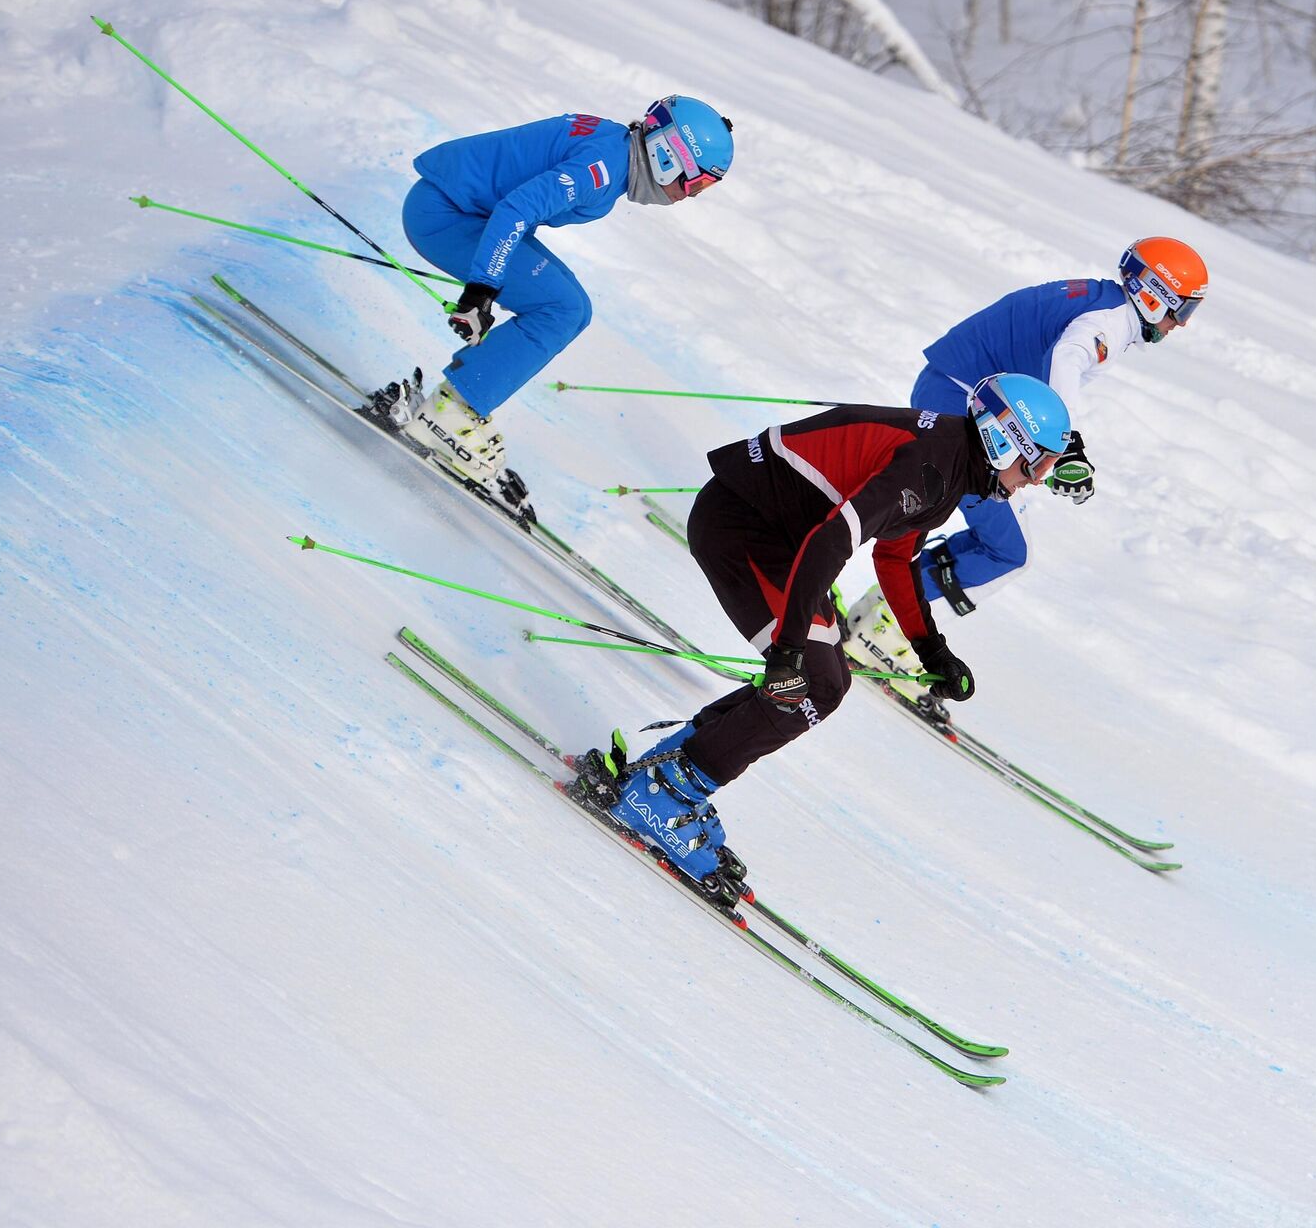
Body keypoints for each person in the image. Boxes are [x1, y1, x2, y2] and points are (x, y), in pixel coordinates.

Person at [561, 375, 1075, 906]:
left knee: (824, 681)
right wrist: (786, 650)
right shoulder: (929, 467)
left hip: (773, 533)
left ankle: (669, 774)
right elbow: (832, 538)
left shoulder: (948, 466)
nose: (1035, 479)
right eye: (1034, 463)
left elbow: (894, 557)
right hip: (745, 527)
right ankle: (664, 794)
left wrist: (931, 650)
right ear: (1001, 438)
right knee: (814, 684)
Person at [842, 236, 1208, 682]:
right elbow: (1067, 359)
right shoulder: (1110, 320)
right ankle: (881, 626)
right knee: (1008, 550)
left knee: (964, 527)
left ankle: (876, 613)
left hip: (960, 396)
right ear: (1155, 295)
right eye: (1183, 310)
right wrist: (1066, 446)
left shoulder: (1104, 302)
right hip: (965, 407)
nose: (1182, 325)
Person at [366, 96, 735, 511]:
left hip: (460, 210)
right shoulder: (602, 170)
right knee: (560, 309)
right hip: (445, 215)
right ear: (668, 155)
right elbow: (518, 208)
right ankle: (451, 413)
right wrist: (482, 288)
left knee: (575, 310)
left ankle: (457, 402)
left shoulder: (614, 150)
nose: (690, 196)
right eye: (696, 184)